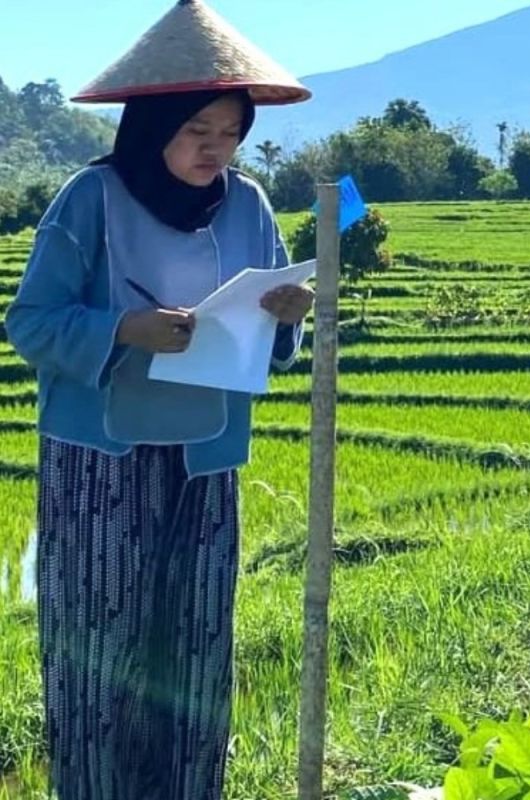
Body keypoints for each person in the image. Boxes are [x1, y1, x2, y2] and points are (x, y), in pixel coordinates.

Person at [4, 1, 313, 796]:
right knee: (101, 648)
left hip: (205, 456)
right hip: (100, 459)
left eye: (230, 131)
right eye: (197, 130)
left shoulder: (250, 204)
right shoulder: (89, 199)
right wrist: (123, 330)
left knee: (199, 645)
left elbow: (273, 320)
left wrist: (288, 319)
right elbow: (30, 321)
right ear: (153, 125)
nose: (217, 148)